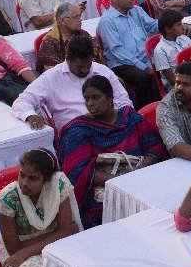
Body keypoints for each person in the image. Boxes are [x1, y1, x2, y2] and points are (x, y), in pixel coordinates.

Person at [58, 75, 166, 227]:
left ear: (110, 98)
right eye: (86, 99)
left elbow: (155, 147)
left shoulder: (129, 118)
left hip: (141, 178)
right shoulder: (77, 131)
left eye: (96, 98)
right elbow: (78, 172)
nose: (90, 104)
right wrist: (120, 182)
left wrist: (141, 170)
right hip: (102, 194)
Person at [12, 36, 131, 131]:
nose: (85, 70)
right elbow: (22, 101)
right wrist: (30, 115)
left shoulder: (102, 71)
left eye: (88, 66)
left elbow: (124, 101)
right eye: (80, 67)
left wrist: (119, 119)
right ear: (68, 59)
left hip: (110, 127)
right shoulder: (51, 77)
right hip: (76, 135)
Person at [95, 0, 160, 108]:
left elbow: (153, 25)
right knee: (143, 77)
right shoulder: (107, 21)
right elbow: (117, 51)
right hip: (122, 63)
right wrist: (143, 66)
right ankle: (145, 111)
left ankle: (163, 105)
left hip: (144, 56)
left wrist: (169, 22)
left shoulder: (136, 10)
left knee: (168, 62)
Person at [34, 1, 99, 72]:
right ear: (62, 20)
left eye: (80, 16)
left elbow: (97, 59)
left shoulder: (83, 35)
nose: (80, 20)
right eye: (76, 17)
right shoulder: (50, 42)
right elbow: (53, 74)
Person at [152, 10, 191, 91]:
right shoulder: (160, 50)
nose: (182, 27)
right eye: (178, 25)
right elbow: (171, 79)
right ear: (168, 29)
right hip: (177, 85)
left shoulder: (184, 38)